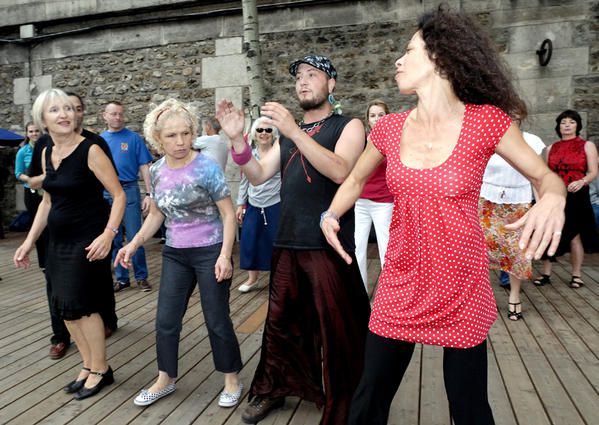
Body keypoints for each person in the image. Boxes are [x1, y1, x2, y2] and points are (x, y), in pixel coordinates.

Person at [319, 7, 566, 425]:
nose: (397, 60)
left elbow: (545, 176)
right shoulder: (389, 129)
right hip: (401, 280)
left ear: (439, 58)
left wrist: (553, 198)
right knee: (368, 398)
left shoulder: (486, 122)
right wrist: (332, 213)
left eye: (409, 51)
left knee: (469, 408)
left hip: (462, 284)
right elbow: (356, 179)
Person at [217, 54, 371, 425]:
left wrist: (294, 132)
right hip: (288, 242)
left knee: (336, 330)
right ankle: (273, 389)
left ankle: (346, 402)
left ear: (330, 84)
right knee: (281, 326)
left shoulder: (347, 126)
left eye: (312, 75)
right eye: (299, 76)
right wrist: (238, 139)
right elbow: (256, 175)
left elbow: (340, 171)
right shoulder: (288, 136)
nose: (303, 81)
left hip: (327, 247)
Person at [114, 98, 242, 408]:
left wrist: (225, 255)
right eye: (171, 136)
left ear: (193, 132)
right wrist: (133, 243)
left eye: (185, 133)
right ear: (158, 138)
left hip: (210, 250)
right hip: (175, 253)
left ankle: (231, 379)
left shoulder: (206, 167)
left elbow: (227, 215)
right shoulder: (156, 171)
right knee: (166, 320)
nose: (180, 141)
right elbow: (157, 215)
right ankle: (165, 378)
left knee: (217, 319)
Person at [14, 88, 125, 400]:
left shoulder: (90, 149)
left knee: (84, 308)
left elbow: (119, 194)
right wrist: (28, 240)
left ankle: (102, 369)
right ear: (42, 119)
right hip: (58, 241)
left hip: (87, 241)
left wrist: (109, 234)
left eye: (67, 109)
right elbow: (48, 201)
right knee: (64, 309)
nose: (64, 114)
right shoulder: (48, 150)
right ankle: (88, 365)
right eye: (55, 110)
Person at [479, 130, 545, 320]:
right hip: (487, 202)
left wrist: (540, 204)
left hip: (518, 202)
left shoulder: (532, 140)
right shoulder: (486, 136)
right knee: (483, 251)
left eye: (515, 115)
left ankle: (514, 296)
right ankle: (484, 298)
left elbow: (538, 176)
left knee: (517, 252)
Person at [532, 110, 599, 288]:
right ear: (558, 126)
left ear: (577, 125)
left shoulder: (587, 145)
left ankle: (576, 275)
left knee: (575, 236)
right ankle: (546, 273)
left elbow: (593, 171)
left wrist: (582, 181)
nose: (567, 125)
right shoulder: (551, 148)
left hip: (578, 195)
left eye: (571, 122)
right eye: (563, 122)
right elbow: (546, 174)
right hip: (555, 195)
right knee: (550, 230)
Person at [101, 101, 153, 292]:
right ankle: (122, 279)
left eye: (121, 114)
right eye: (113, 114)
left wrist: (149, 193)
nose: (118, 117)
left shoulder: (134, 139)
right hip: (106, 192)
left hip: (129, 190)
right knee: (112, 236)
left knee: (134, 235)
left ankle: (141, 277)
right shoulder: (99, 140)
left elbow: (144, 167)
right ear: (104, 116)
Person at [235, 117, 281, 292]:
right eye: (260, 130)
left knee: (275, 242)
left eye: (268, 130)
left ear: (274, 134)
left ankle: (277, 278)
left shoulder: (279, 154)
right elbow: (244, 181)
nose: (264, 133)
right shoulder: (249, 156)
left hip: (275, 203)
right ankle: (252, 279)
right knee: (250, 240)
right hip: (254, 204)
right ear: (254, 133)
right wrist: (241, 204)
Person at [354, 100, 393, 290]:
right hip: (360, 201)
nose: (377, 119)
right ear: (367, 120)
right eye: (373, 115)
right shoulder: (360, 141)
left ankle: (388, 293)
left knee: (385, 248)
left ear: (388, 117)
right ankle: (360, 291)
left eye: (381, 115)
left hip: (383, 202)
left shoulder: (394, 141)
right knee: (357, 247)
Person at [15, 122, 42, 229]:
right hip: (32, 192)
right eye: (31, 131)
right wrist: (31, 180)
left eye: (37, 131)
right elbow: (18, 173)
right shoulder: (22, 152)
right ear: (27, 134)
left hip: (49, 190)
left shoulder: (48, 149)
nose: (34, 133)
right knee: (36, 224)